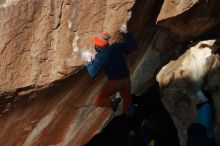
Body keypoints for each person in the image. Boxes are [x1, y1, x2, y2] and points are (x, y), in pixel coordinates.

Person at [82, 23, 137, 116]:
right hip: (126, 79)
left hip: (114, 83)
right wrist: (126, 33)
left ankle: (112, 103)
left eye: (96, 44)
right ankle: (130, 112)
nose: (95, 46)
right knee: (128, 104)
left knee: (97, 101)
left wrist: (88, 61)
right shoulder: (116, 46)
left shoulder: (99, 57)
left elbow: (92, 73)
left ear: (99, 46)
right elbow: (133, 44)